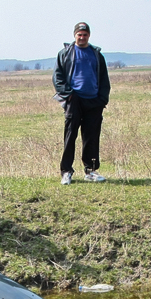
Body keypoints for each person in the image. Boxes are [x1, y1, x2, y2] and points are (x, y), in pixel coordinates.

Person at [53, 22, 110, 185]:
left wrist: (102, 99)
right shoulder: (65, 53)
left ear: (89, 36)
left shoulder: (97, 55)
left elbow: (104, 79)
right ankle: (66, 171)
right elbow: (57, 77)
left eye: (85, 35)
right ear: (75, 35)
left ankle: (90, 171)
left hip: (94, 100)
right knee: (70, 135)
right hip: (74, 99)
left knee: (91, 136)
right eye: (79, 34)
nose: (82, 37)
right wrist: (69, 95)